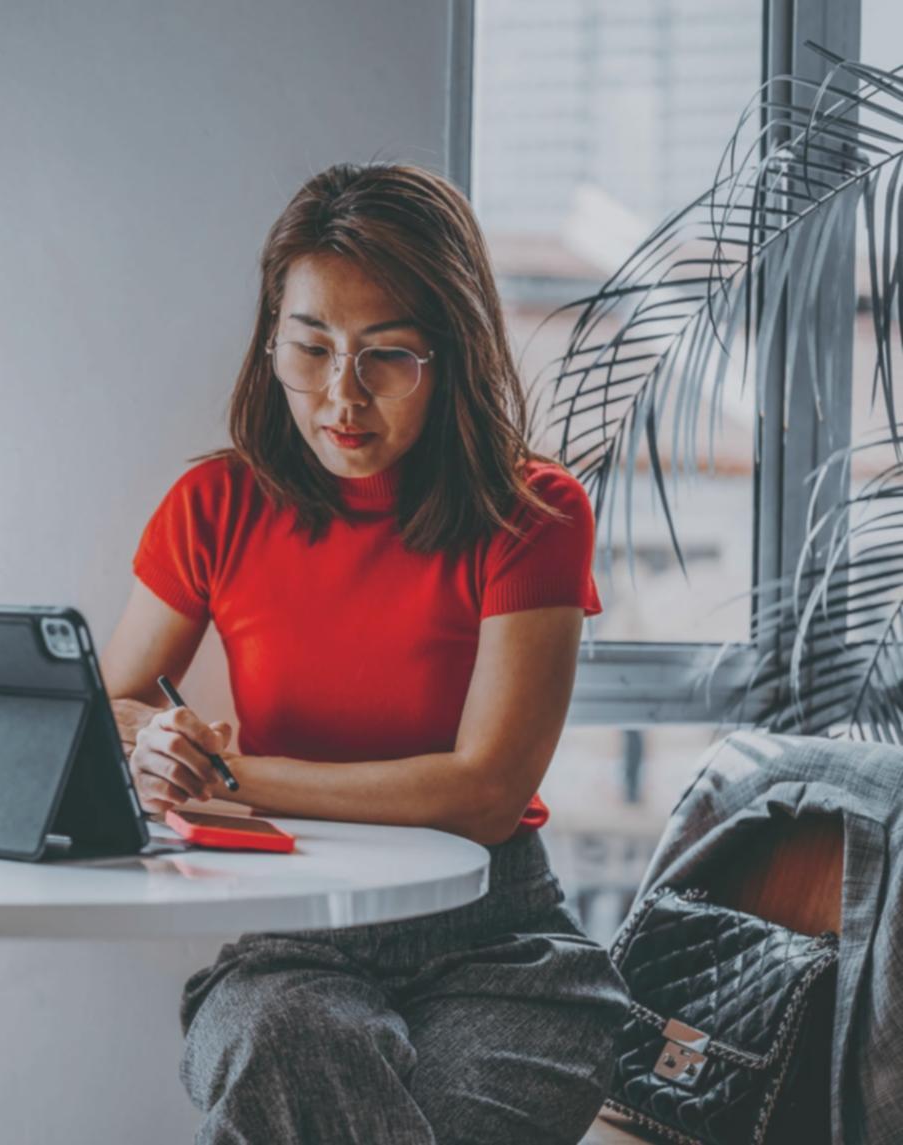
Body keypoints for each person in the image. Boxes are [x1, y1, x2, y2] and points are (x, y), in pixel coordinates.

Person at [99, 163, 631, 1144]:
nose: (341, 396)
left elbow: (485, 791)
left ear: (452, 354)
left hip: (499, 945)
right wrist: (153, 744)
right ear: (271, 341)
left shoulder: (535, 513)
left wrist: (234, 777)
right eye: (311, 348)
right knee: (279, 1039)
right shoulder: (214, 506)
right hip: (293, 940)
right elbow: (103, 708)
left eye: (386, 355)